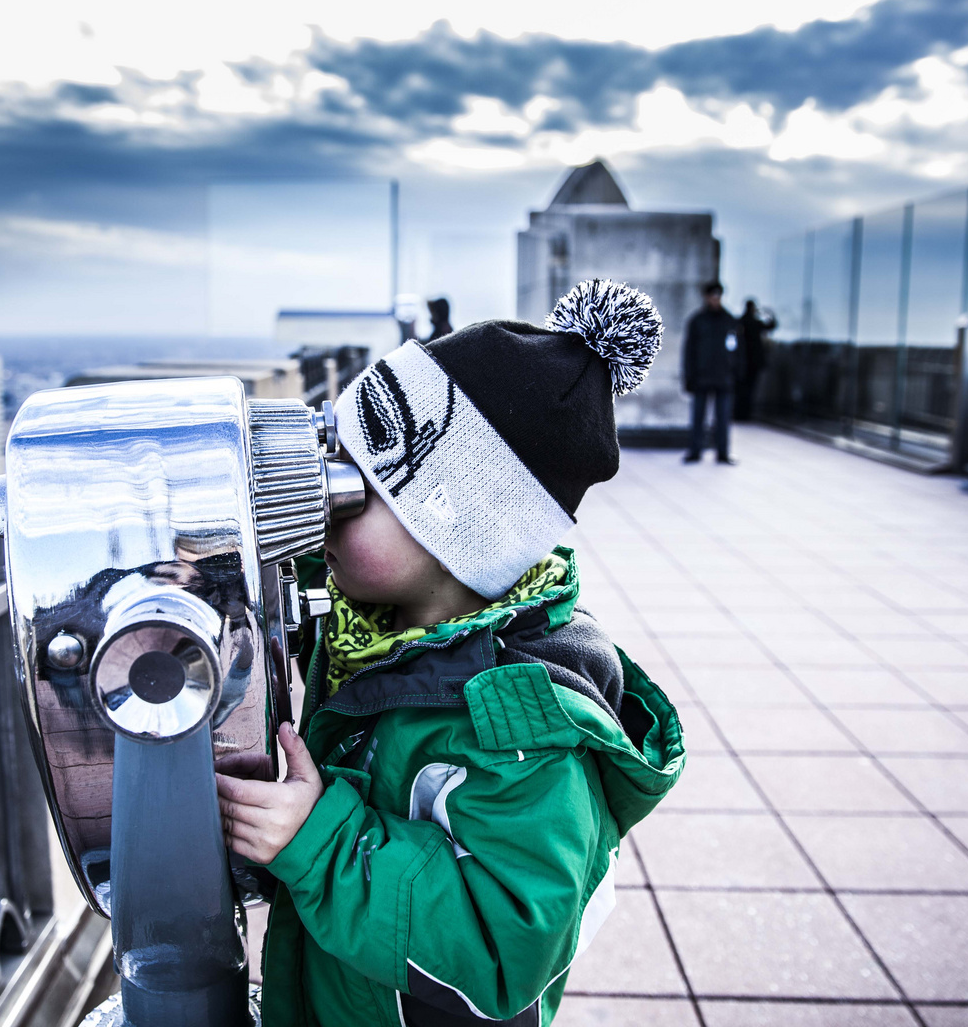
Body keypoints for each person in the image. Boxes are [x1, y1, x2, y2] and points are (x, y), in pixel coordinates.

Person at [216, 278, 685, 1027]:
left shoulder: (519, 730)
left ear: (450, 533)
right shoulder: (381, 617)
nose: (324, 502)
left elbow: (506, 951)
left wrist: (320, 843)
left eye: (357, 487)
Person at [682, 279, 737, 463]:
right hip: (701, 377)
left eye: (718, 296)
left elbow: (738, 352)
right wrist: (688, 377)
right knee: (698, 418)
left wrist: (736, 374)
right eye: (712, 295)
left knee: (723, 419)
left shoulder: (729, 321)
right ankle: (695, 451)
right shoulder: (697, 321)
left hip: (724, 378)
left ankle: (722, 453)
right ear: (706, 297)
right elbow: (689, 351)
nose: (715, 299)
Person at [734, 298, 777, 421]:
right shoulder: (753, 322)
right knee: (748, 389)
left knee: (742, 389)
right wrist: (769, 313)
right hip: (751, 361)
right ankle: (744, 414)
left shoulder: (742, 321)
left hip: (743, 361)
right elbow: (771, 325)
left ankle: (740, 414)